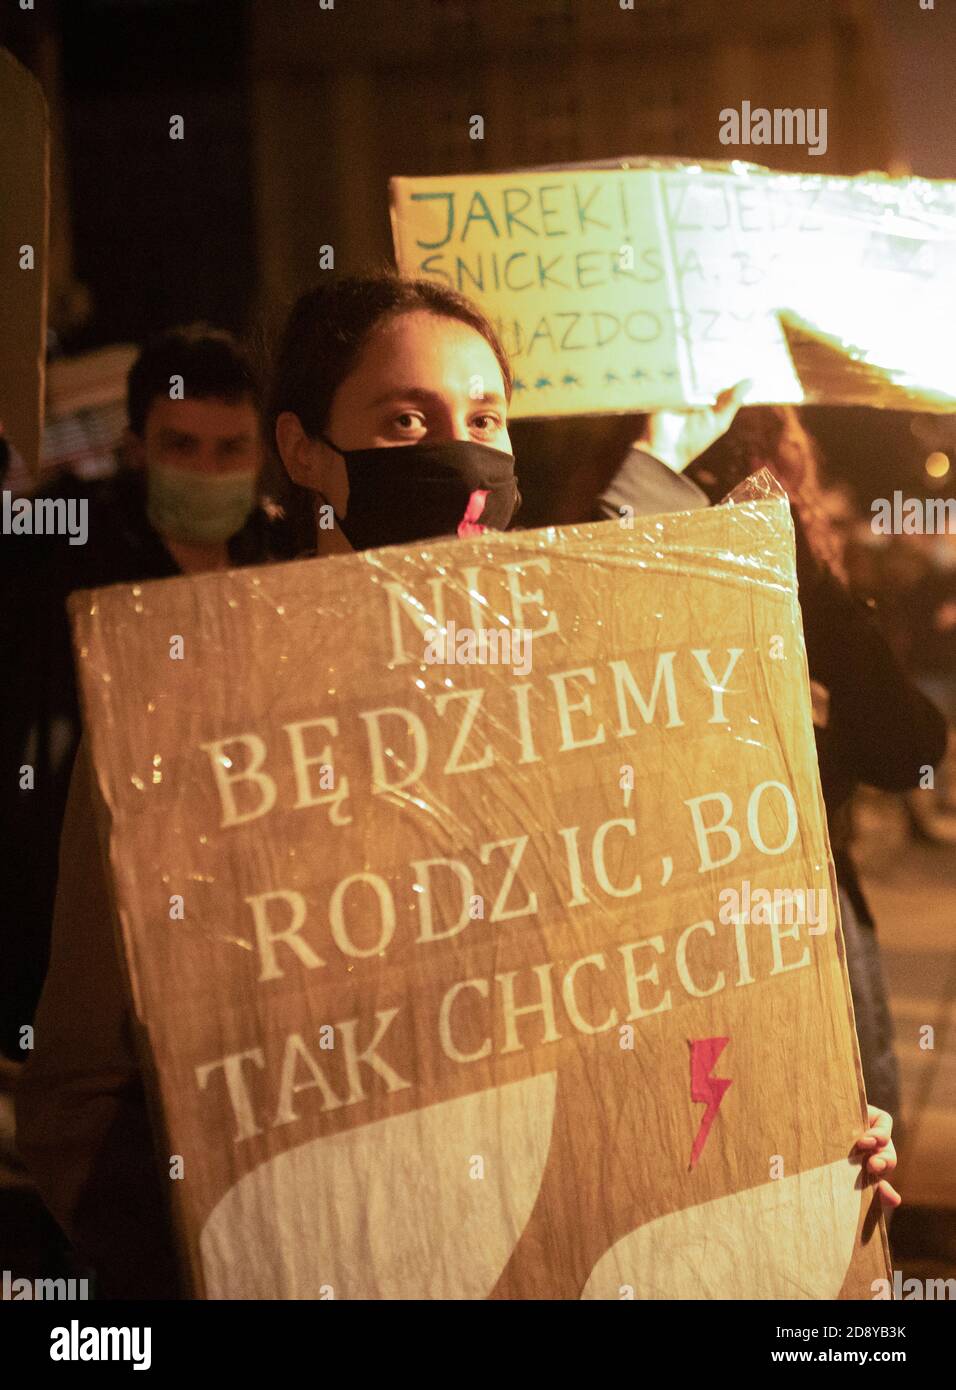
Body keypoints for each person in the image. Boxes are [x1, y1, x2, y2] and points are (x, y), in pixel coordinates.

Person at [16, 277, 901, 1301]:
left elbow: (668, 1013)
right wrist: (230, 1246)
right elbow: (76, 1104)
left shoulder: (588, 689)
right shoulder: (187, 715)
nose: (462, 454)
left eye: (484, 418)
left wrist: (801, 1141)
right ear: (304, 453)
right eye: (407, 420)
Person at [596, 403, 948, 1125]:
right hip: (793, 901)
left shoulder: (589, 528)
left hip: (644, 914)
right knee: (832, 1139)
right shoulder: (775, 559)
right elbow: (905, 743)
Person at [1, 325, 293, 1063]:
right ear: (137, 450)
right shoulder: (71, 576)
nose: (206, 468)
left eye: (230, 449)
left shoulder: (289, 570)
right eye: (181, 447)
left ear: (262, 456)